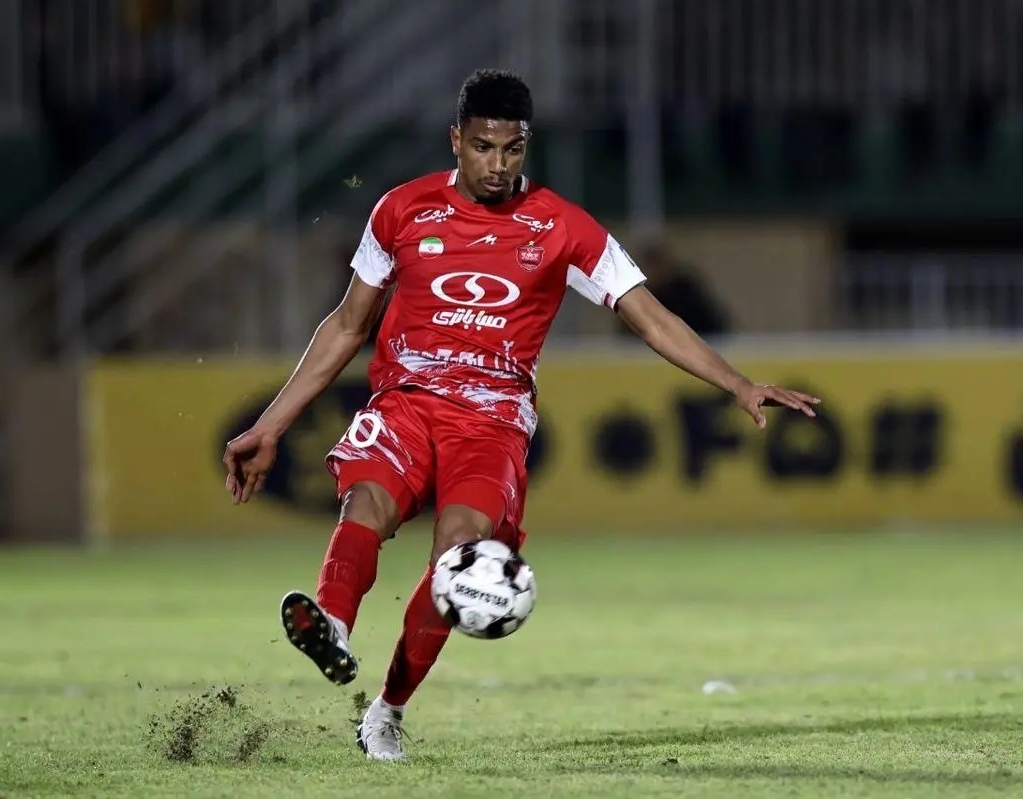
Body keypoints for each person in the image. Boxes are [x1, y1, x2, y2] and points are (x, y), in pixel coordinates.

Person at [221, 69, 821, 762]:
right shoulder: (401, 210)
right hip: (406, 402)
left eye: (512, 149)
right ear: (456, 140)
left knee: (459, 556)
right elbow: (348, 325)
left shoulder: (564, 228)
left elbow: (651, 319)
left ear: (526, 144)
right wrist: (271, 423)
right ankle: (332, 623)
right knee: (368, 503)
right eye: (483, 147)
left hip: (493, 420)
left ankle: (386, 712)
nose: (498, 164)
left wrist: (736, 383)